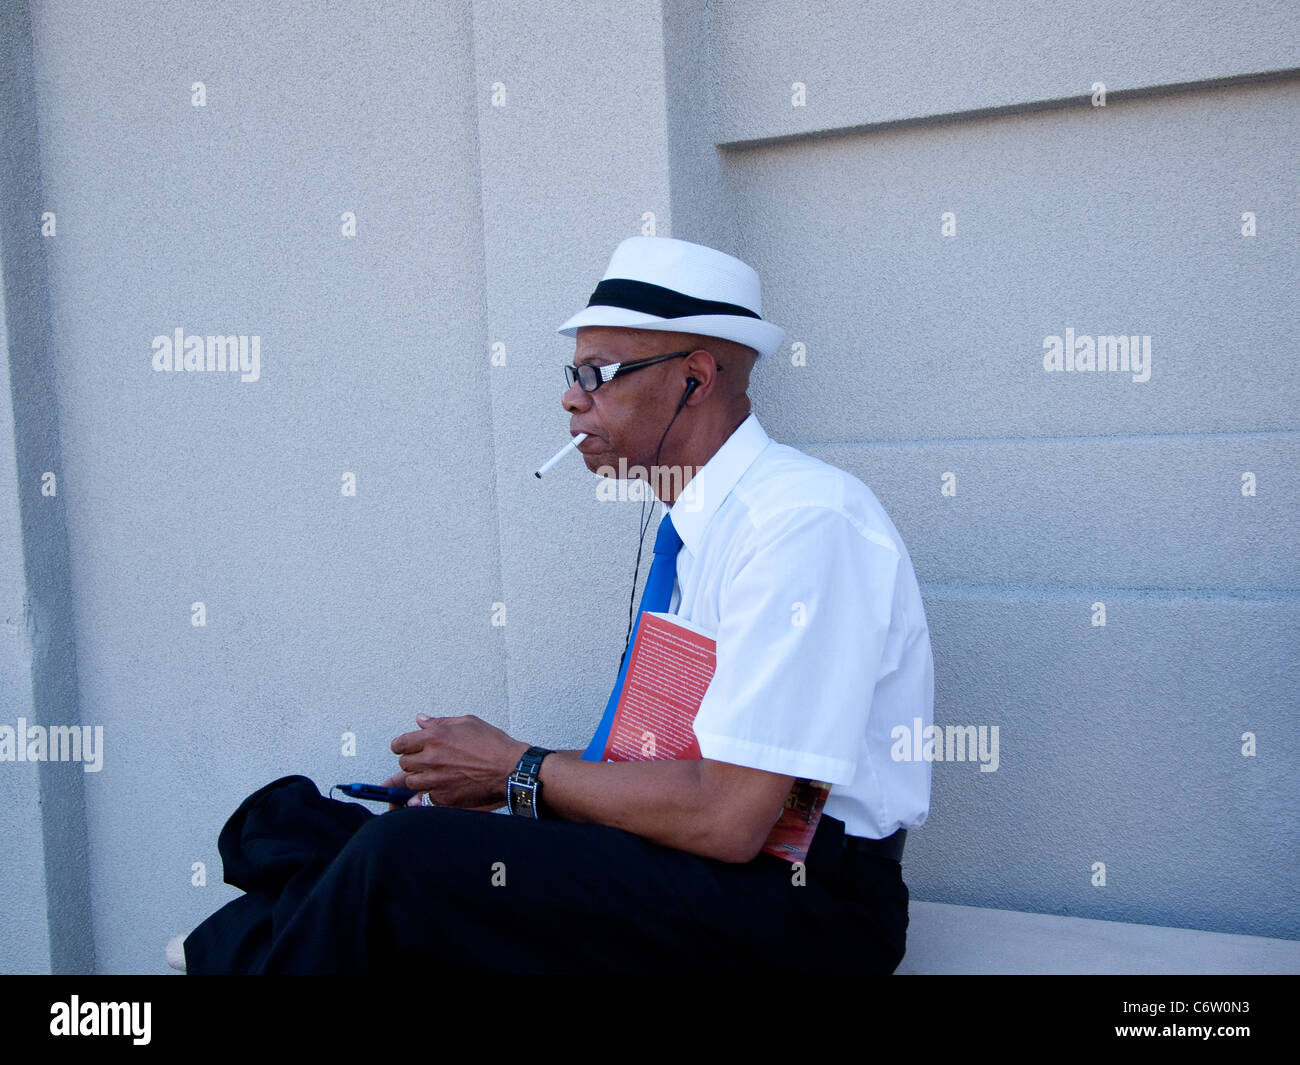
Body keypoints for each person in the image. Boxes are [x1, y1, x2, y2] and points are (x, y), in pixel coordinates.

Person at [183, 236, 932, 975]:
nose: (572, 397)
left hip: (802, 900)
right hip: (708, 866)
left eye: (599, 373)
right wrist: (492, 780)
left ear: (695, 381)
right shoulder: (700, 530)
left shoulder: (799, 525)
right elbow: (674, 771)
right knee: (301, 833)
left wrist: (516, 770)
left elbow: (732, 816)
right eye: (573, 372)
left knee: (397, 863)